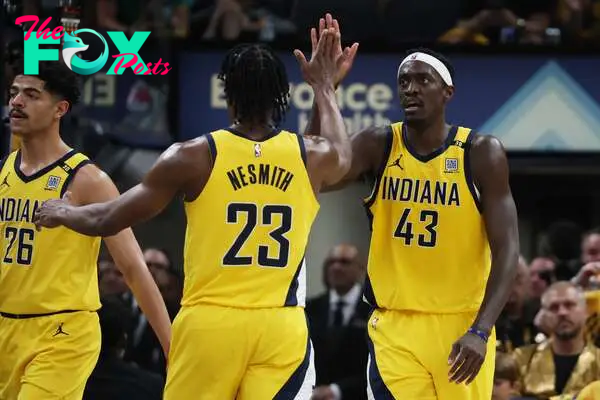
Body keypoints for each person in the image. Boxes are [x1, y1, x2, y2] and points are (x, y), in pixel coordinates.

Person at [33, 29, 352, 399]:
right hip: (280, 326)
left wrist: (64, 212)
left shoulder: (193, 156)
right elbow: (339, 153)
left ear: (226, 94)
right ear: (282, 96)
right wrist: (324, 87)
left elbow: (108, 219)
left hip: (210, 323)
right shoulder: (312, 156)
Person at [304, 14, 519, 399]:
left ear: (447, 92)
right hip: (394, 326)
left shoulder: (481, 152)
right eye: (404, 81)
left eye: (423, 80)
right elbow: (313, 170)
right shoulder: (379, 143)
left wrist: (481, 330)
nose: (411, 89)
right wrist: (325, 90)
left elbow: (507, 251)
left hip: (461, 326)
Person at [0, 61, 172, 399]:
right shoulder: (6, 168)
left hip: (62, 332)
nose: (17, 101)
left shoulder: (87, 179)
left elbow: (134, 268)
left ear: (60, 109)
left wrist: (173, 347)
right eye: (13, 93)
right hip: (7, 326)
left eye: (31, 95)